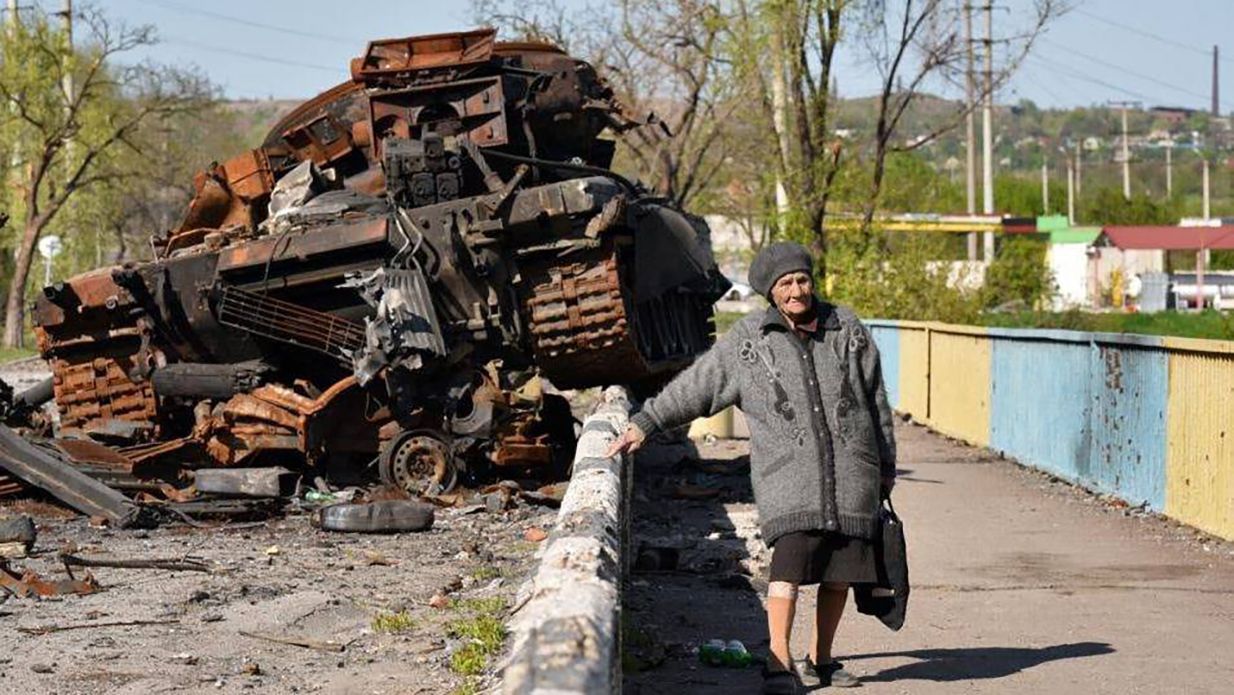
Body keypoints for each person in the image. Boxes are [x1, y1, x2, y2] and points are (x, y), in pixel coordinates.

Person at [607, 242, 896, 693]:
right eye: (785, 284)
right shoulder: (748, 341)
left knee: (841, 573)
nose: (796, 290)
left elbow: (875, 400)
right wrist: (645, 423)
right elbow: (697, 388)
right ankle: (779, 661)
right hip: (790, 480)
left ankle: (822, 659)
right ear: (770, 293)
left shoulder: (848, 329)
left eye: (802, 280)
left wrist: (886, 464)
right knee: (788, 572)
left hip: (852, 474)